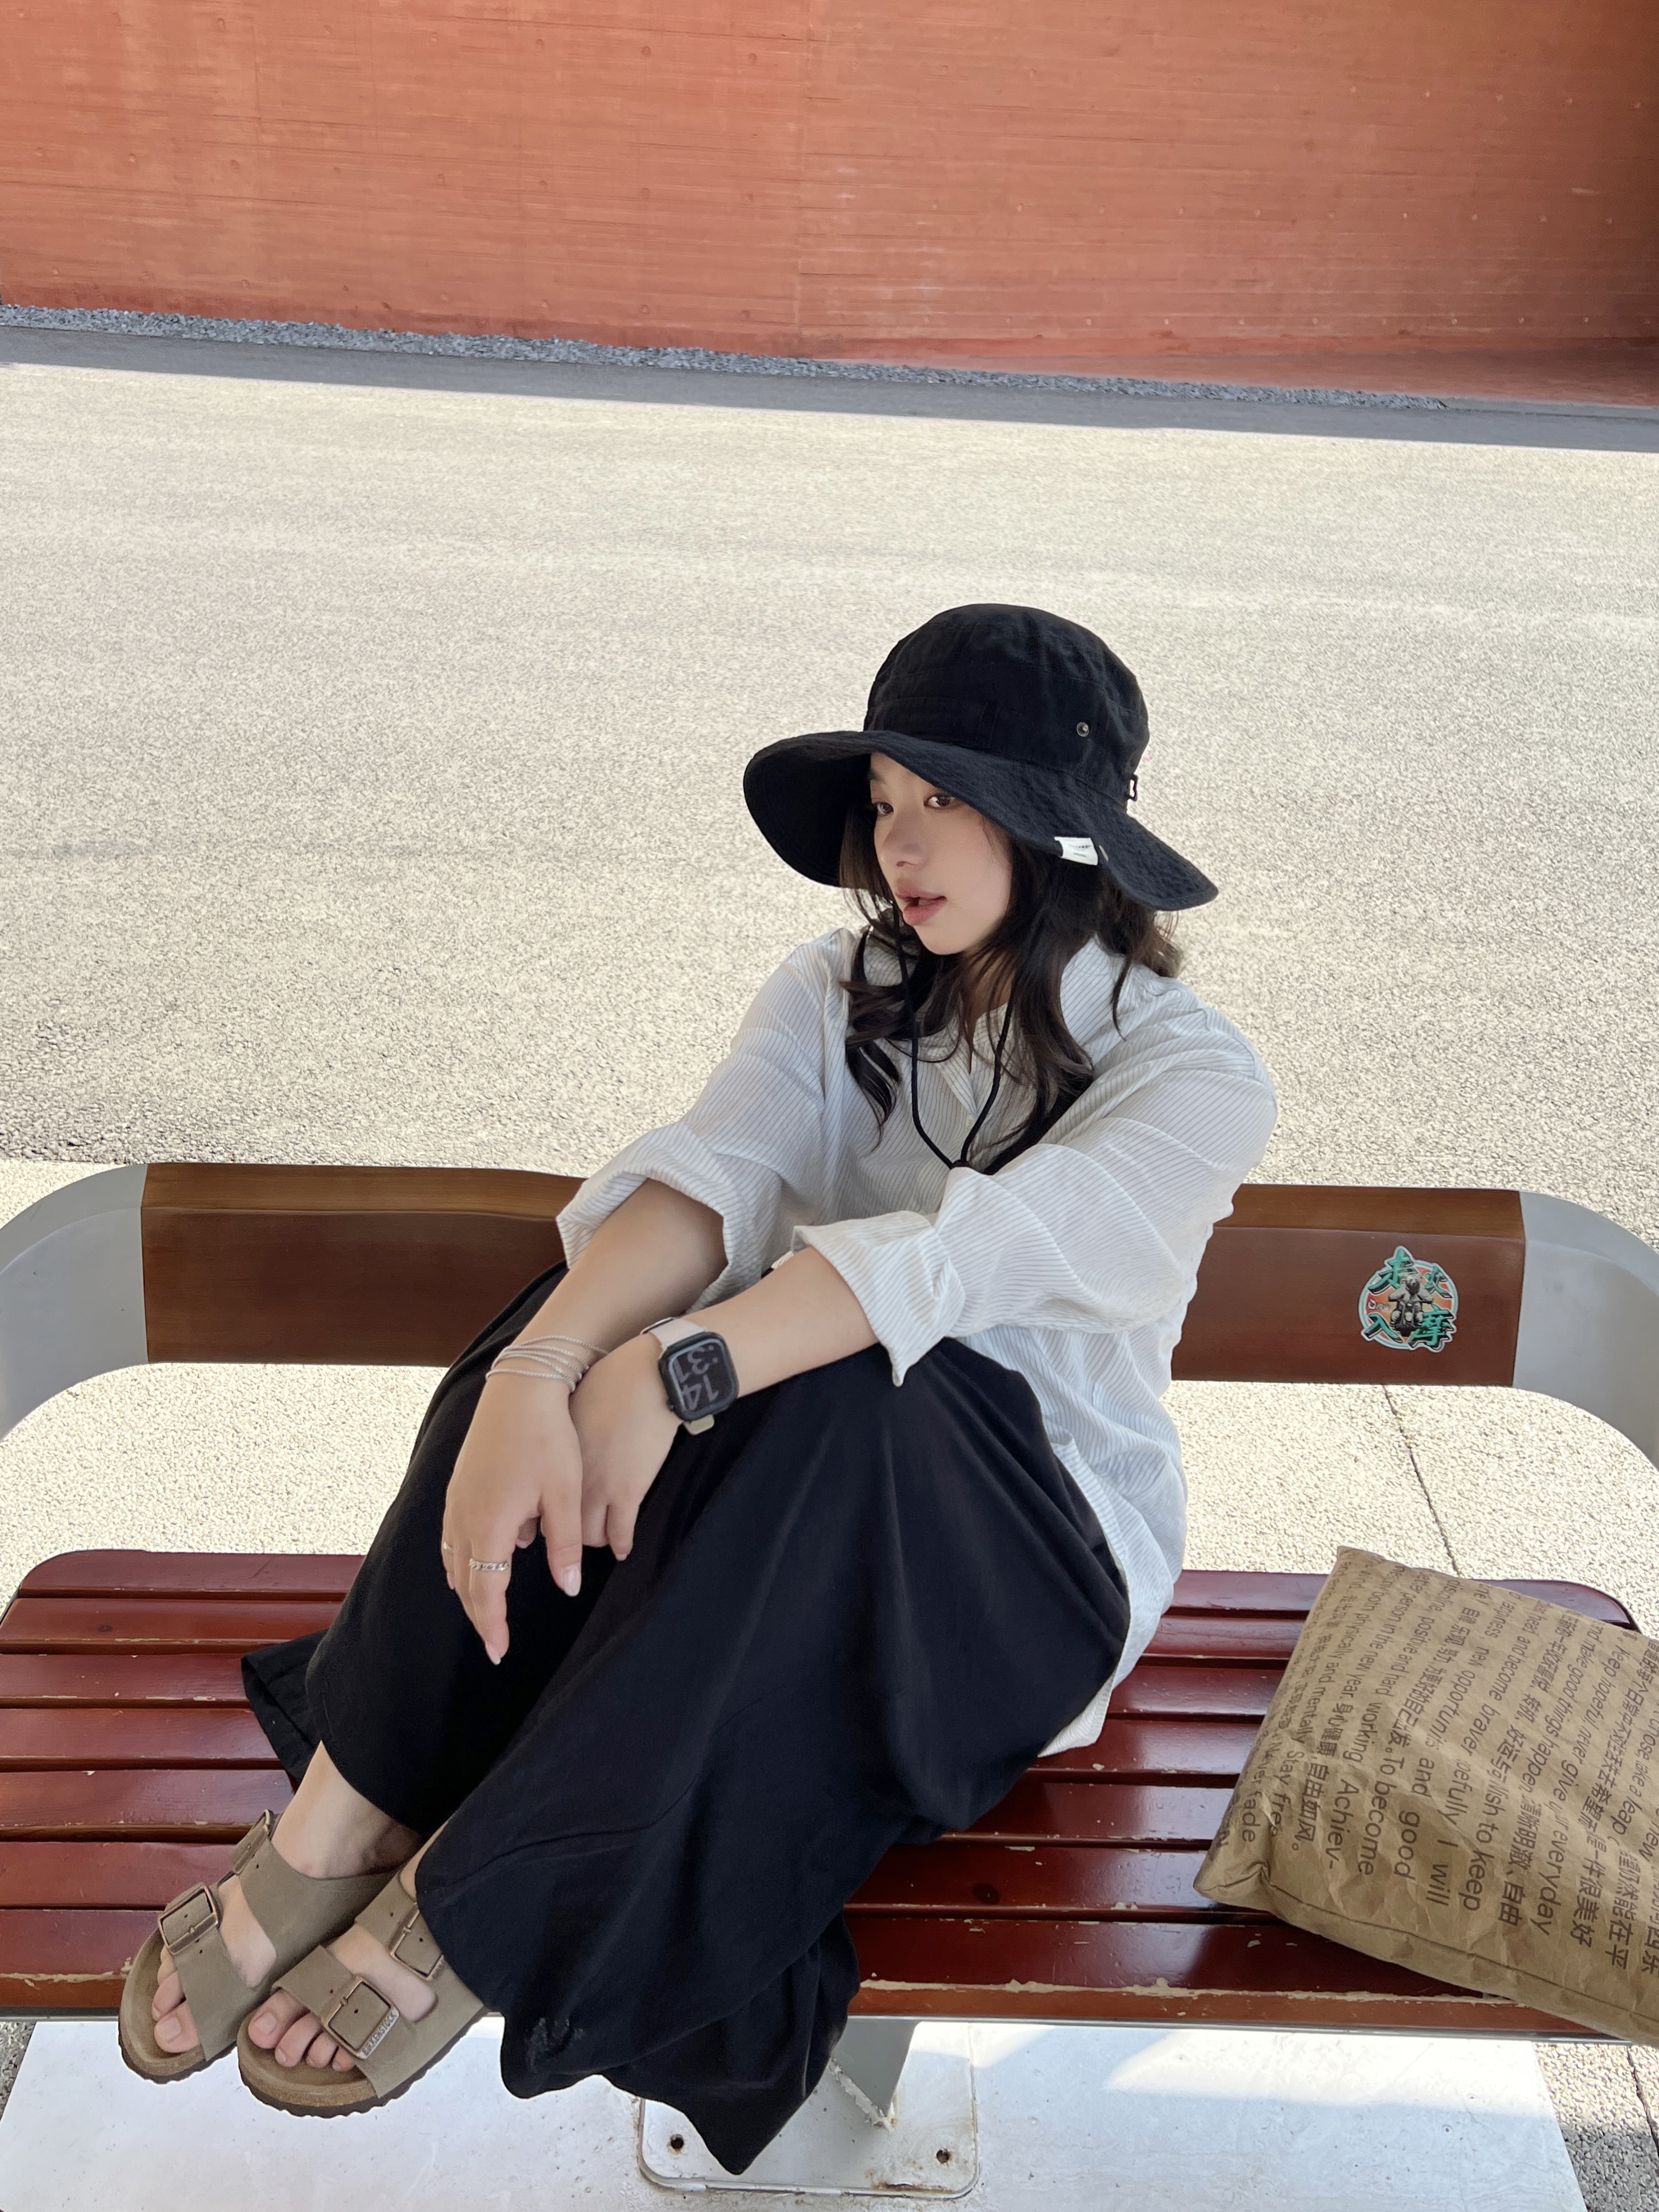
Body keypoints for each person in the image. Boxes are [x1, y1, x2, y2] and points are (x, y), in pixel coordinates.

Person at [117, 602, 1277, 2168]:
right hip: (771, 1513)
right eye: (885, 799)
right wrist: (545, 1371)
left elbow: (961, 1266)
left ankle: (482, 1906)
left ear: (1060, 831)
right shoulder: (840, 985)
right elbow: (716, 1175)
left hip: (1017, 1575)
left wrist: (684, 1366)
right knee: (559, 1329)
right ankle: (347, 1808)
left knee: (868, 1391)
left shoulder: (1193, 1075)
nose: (901, 844)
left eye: (945, 800)